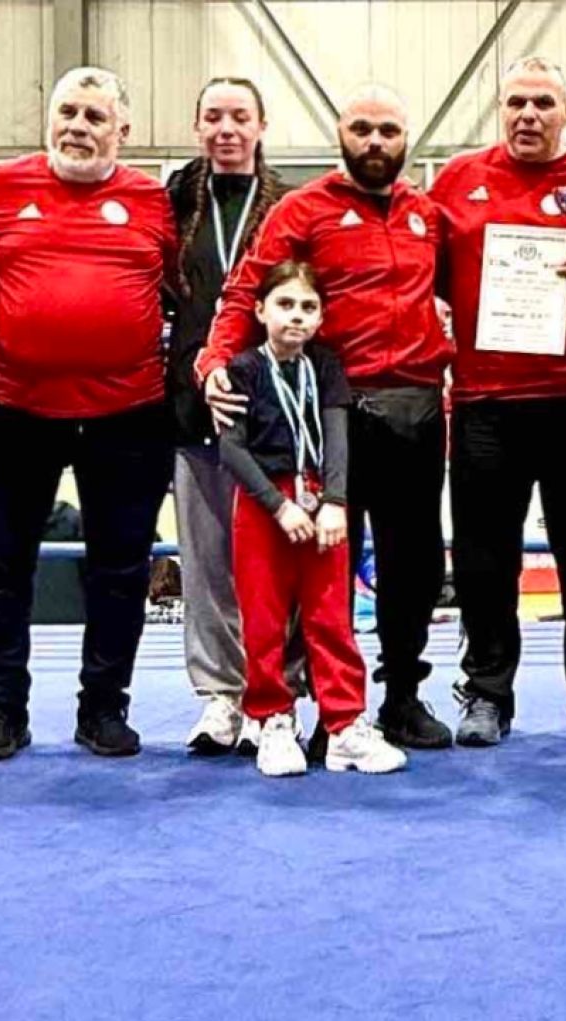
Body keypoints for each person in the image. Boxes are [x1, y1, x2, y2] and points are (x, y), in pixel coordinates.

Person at [199, 85, 456, 753]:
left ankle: (402, 697)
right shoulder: (301, 210)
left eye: (388, 131)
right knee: (324, 570)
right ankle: (333, 713)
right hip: (331, 417)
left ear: (407, 139)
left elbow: (475, 289)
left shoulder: (428, 214)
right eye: (362, 128)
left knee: (414, 567)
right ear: (340, 134)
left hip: (418, 412)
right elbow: (247, 290)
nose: (375, 142)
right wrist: (215, 362)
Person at [0, 67, 179, 762]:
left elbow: (188, 291)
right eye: (68, 112)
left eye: (94, 116)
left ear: (123, 131)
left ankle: (104, 707)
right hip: (13, 408)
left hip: (130, 412)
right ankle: (2, 707)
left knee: (122, 567)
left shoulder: (156, 202)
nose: (78, 127)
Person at [429, 57, 566, 749]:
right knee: (484, 561)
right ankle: (486, 694)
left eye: (543, 103)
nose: (528, 114)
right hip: (485, 402)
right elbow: (424, 276)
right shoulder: (457, 180)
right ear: (501, 108)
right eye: (516, 101)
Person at [219, 260, 406, 777]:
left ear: (322, 317)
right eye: (285, 305)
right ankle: (273, 720)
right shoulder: (242, 369)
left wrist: (337, 502)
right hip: (262, 504)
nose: (296, 316)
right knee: (263, 619)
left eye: (308, 307)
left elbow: (337, 437)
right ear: (260, 310)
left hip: (322, 501)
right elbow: (231, 449)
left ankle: (344, 724)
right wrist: (277, 505)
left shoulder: (325, 366)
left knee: (331, 618)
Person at [165, 77, 298, 758]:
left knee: (279, 560)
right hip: (194, 404)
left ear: (261, 125)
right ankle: (220, 694)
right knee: (207, 559)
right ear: (197, 126)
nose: (226, 129)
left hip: (273, 409)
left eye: (239, 117)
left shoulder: (291, 206)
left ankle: (277, 693)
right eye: (213, 116)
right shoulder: (171, 202)